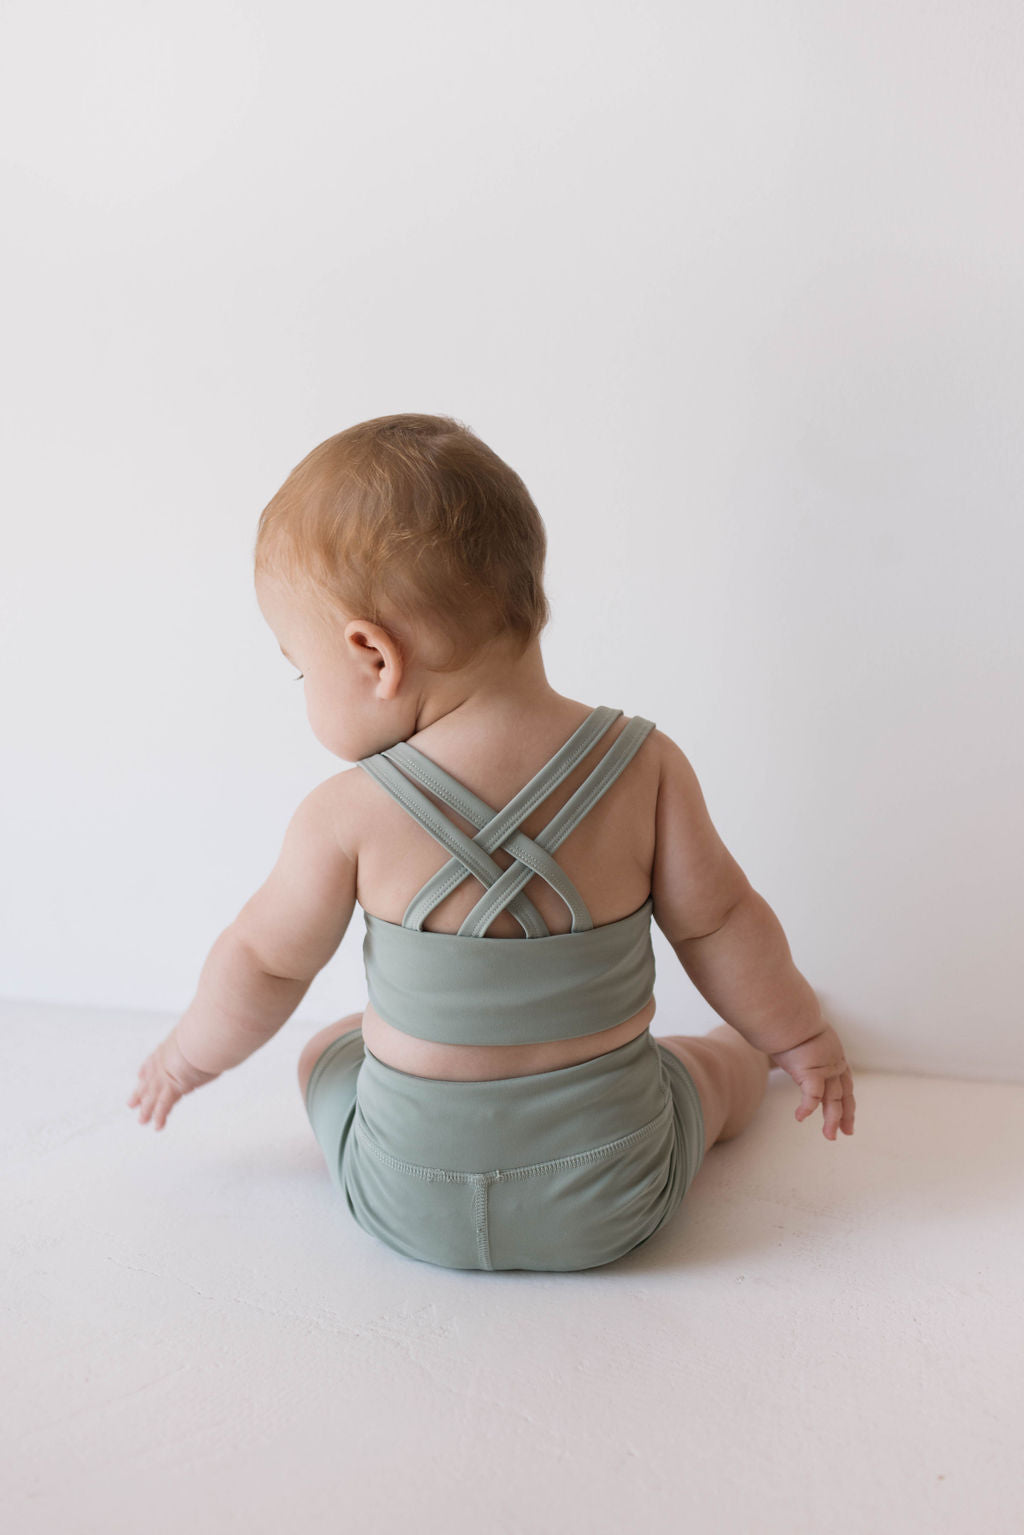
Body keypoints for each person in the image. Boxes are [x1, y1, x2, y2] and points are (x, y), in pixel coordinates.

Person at [127, 413, 856, 1272]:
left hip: (405, 1197)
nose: (301, 688)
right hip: (615, 1195)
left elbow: (260, 963)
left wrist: (185, 1056)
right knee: (704, 1070)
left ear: (372, 654)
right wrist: (796, 1037)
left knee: (325, 1051)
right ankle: (743, 1070)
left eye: (299, 666)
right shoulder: (645, 767)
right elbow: (724, 923)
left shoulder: (345, 812)